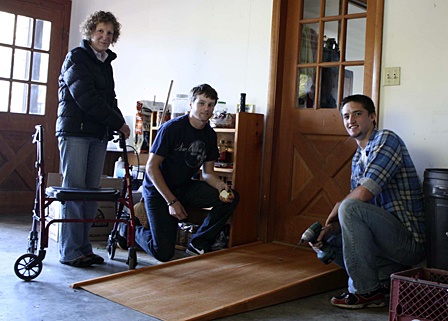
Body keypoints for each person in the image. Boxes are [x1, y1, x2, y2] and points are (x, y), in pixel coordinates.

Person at [310, 94, 425, 308]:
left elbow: (363, 195)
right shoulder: (357, 158)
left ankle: (366, 291)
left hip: (409, 244)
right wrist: (330, 229)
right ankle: (381, 281)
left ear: (372, 117)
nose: (350, 120)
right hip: (385, 246)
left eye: (357, 114)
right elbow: (357, 214)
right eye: (346, 116)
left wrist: (339, 206)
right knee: (328, 237)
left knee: (349, 207)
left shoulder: (387, 139)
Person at [129, 83, 239, 262]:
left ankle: (199, 243)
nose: (206, 109)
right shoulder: (172, 128)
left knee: (232, 198)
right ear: (191, 104)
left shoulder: (210, 135)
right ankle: (128, 228)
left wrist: (221, 187)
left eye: (210, 104)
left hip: (185, 187)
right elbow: (151, 167)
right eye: (201, 103)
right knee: (163, 253)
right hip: (158, 191)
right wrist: (171, 201)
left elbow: (208, 172)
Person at [56, 11, 130, 267]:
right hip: (75, 131)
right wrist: (117, 122)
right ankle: (70, 251)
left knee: (90, 194)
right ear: (89, 32)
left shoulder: (105, 63)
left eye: (110, 33)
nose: (105, 37)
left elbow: (109, 100)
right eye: (100, 31)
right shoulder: (76, 57)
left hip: (97, 134)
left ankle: (84, 248)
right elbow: (85, 98)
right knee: (75, 192)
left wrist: (121, 123)